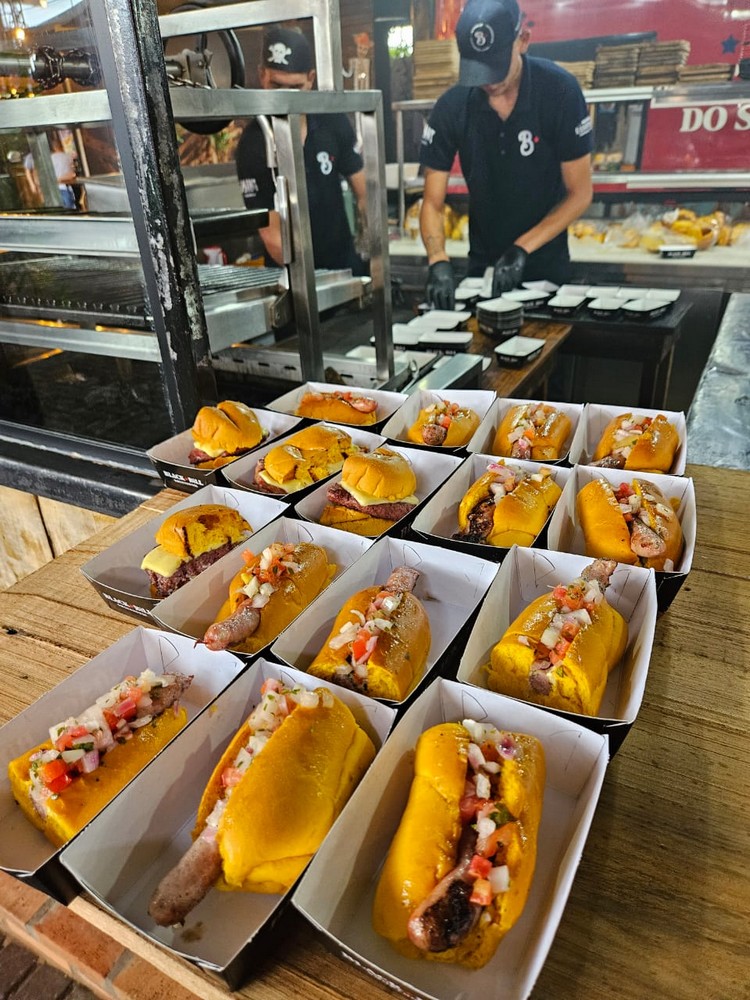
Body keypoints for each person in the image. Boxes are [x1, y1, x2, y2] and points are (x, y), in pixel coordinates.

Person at [419, 0, 594, 308]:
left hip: (545, 268)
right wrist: (438, 260)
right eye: (478, 68)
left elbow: (580, 194)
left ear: (522, 40)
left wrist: (521, 249)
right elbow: (432, 203)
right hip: (482, 269)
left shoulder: (559, 91)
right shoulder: (452, 106)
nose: (488, 81)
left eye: (496, 65)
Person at [236, 26, 368, 275]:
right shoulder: (253, 143)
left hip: (343, 266)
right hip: (292, 278)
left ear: (311, 78)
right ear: (262, 75)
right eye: (276, 86)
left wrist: (369, 247)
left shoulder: (332, 121)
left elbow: (365, 193)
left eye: (295, 88)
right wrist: (308, 285)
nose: (286, 99)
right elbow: (272, 235)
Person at [24, 132, 78, 210]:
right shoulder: (32, 157)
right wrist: (34, 185)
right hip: (58, 187)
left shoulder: (49, 157)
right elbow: (29, 171)